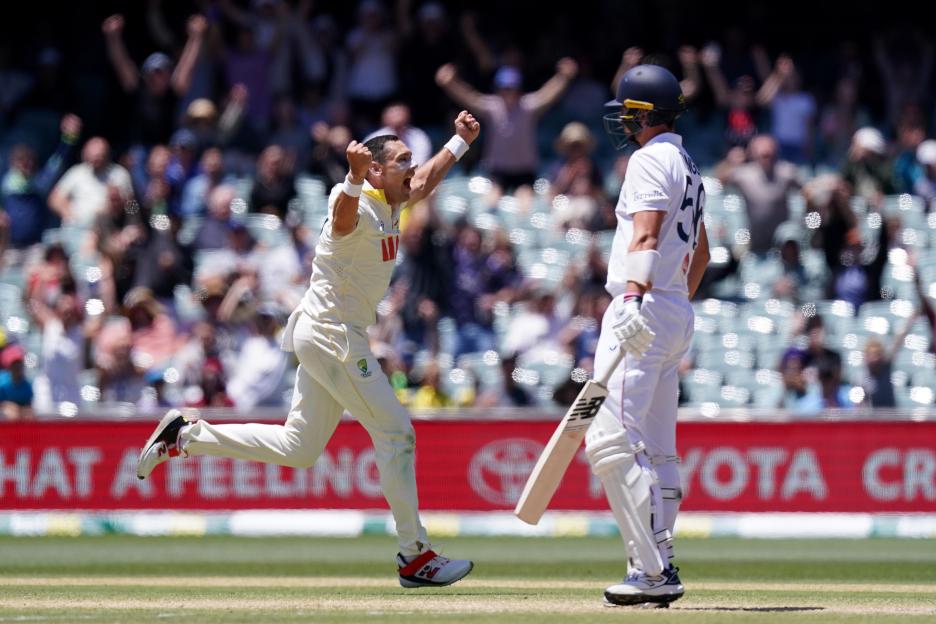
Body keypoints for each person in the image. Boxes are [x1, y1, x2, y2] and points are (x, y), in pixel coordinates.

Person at [136, 110, 482, 588]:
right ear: (377, 171)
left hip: (330, 334)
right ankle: (414, 555)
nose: (412, 167)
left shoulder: (391, 200)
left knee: (299, 449)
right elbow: (342, 222)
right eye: (401, 161)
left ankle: (187, 436)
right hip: (331, 334)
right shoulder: (354, 200)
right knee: (396, 433)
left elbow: (422, 181)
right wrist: (355, 176)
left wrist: (459, 143)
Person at [587, 64, 709, 607]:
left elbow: (647, 231)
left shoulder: (648, 158)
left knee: (610, 442)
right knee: (658, 450)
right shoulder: (688, 163)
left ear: (642, 114)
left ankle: (652, 571)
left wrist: (637, 296)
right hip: (674, 306)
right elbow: (700, 253)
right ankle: (660, 560)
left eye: (627, 113)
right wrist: (671, 302)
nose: (621, 123)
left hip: (642, 305)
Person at [435, 58, 578, 190]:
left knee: (525, 203)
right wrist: (450, 83)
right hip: (498, 171)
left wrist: (563, 77)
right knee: (490, 203)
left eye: (511, 88)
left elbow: (548, 95)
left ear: (518, 89)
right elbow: (469, 98)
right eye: (504, 88)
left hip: (525, 171)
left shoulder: (528, 106)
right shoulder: (492, 107)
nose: (508, 92)